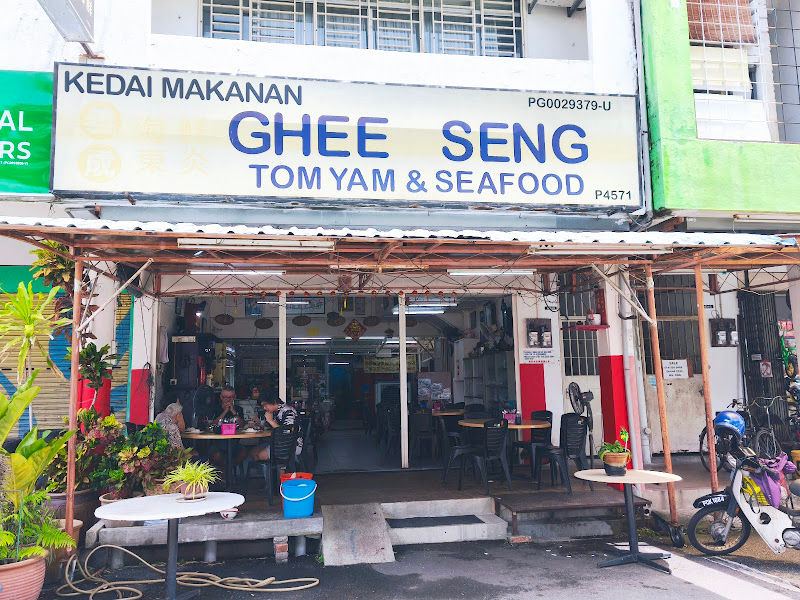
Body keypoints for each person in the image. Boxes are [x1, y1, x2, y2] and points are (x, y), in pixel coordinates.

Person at [201, 386, 248, 469]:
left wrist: (233, 412)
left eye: (230, 397)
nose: (228, 399)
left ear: (234, 397)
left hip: (234, 443)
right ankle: (226, 472)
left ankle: (228, 469)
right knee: (216, 455)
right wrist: (225, 411)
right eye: (225, 397)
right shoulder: (214, 408)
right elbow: (212, 424)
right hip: (217, 443)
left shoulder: (238, 409)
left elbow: (242, 425)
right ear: (221, 397)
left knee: (244, 452)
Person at [248, 397, 303, 461]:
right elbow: (273, 428)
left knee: (257, 456)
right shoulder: (275, 411)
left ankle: (279, 469)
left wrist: (271, 421)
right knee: (252, 452)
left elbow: (287, 434)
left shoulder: (288, 411)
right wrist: (260, 424)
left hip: (290, 445)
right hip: (278, 443)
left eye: (265, 405)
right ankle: (274, 468)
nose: (264, 408)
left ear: (274, 401)